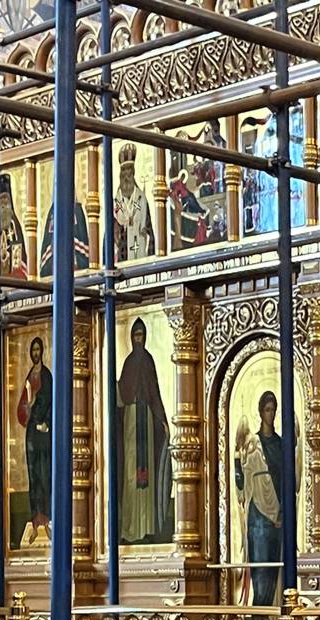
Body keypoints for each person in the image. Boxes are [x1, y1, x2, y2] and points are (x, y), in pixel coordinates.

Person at [118, 318, 170, 544]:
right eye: (135, 336)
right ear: (131, 338)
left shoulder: (147, 360)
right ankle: (130, 529)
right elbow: (122, 393)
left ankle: (147, 527)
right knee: (132, 472)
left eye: (141, 336)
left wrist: (163, 420)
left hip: (146, 420)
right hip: (131, 419)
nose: (138, 340)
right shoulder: (129, 362)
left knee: (145, 473)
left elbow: (154, 392)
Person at [235, 391, 287, 607]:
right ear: (260, 412)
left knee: (273, 569)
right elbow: (242, 482)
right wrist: (237, 462)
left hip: (277, 517)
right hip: (258, 517)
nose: (270, 414)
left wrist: (282, 512)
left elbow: (285, 480)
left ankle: (270, 614)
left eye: (273, 410)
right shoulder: (252, 444)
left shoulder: (280, 444)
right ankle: (259, 614)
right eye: (267, 410)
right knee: (260, 569)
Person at [18, 337, 54, 547]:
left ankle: (48, 519)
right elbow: (22, 407)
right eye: (33, 350)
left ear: (42, 351)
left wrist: (47, 422)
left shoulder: (47, 376)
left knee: (45, 472)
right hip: (32, 431)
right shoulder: (29, 376)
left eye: (38, 349)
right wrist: (28, 406)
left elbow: (52, 402)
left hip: (44, 432)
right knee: (34, 475)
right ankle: (35, 521)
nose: (35, 353)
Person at [112, 144, 156, 263]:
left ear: (133, 172)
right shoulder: (117, 201)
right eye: (124, 171)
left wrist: (145, 231)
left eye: (129, 171)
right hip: (122, 248)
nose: (127, 175)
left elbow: (148, 227)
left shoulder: (141, 198)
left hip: (139, 243)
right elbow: (111, 229)